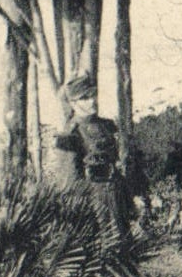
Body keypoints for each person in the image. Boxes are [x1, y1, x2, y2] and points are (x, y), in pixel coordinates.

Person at [53, 72, 130, 242]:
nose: (92, 100)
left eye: (93, 94)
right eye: (84, 98)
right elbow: (70, 181)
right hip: (93, 201)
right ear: (73, 103)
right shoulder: (69, 135)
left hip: (116, 197)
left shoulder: (107, 125)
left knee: (124, 248)